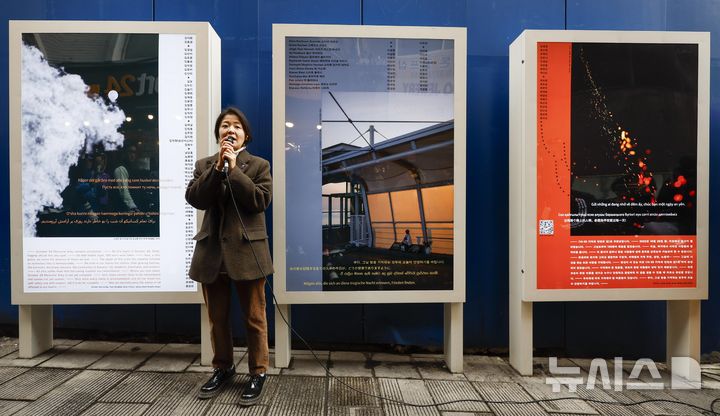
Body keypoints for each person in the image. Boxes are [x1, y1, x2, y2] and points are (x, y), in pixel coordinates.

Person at [185, 107, 273, 405]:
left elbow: (259, 201)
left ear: (245, 135)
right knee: (217, 319)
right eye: (224, 126)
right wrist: (218, 168)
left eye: (236, 126)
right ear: (218, 134)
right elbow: (196, 198)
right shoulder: (205, 165)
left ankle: (258, 372)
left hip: (248, 254)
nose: (229, 130)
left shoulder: (259, 165)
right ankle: (223, 368)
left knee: (254, 317)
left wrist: (234, 170)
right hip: (212, 255)